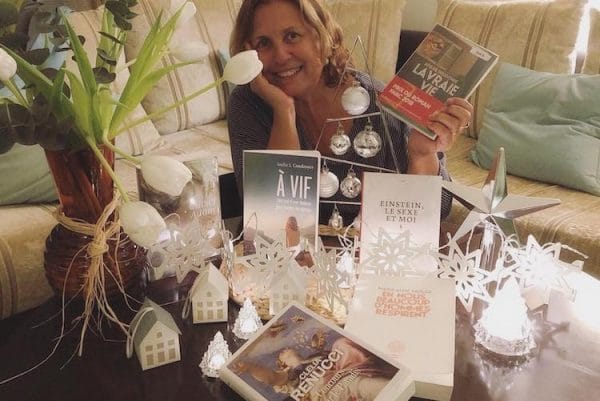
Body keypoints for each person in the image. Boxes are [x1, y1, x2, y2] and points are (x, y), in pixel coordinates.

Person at [227, 0, 473, 225]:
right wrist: (284, 112)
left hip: (371, 256)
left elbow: (436, 212)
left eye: (292, 36)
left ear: (322, 37)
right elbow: (271, 222)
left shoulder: (383, 106)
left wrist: (421, 156)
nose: (280, 56)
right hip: (289, 256)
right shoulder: (248, 103)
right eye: (263, 43)